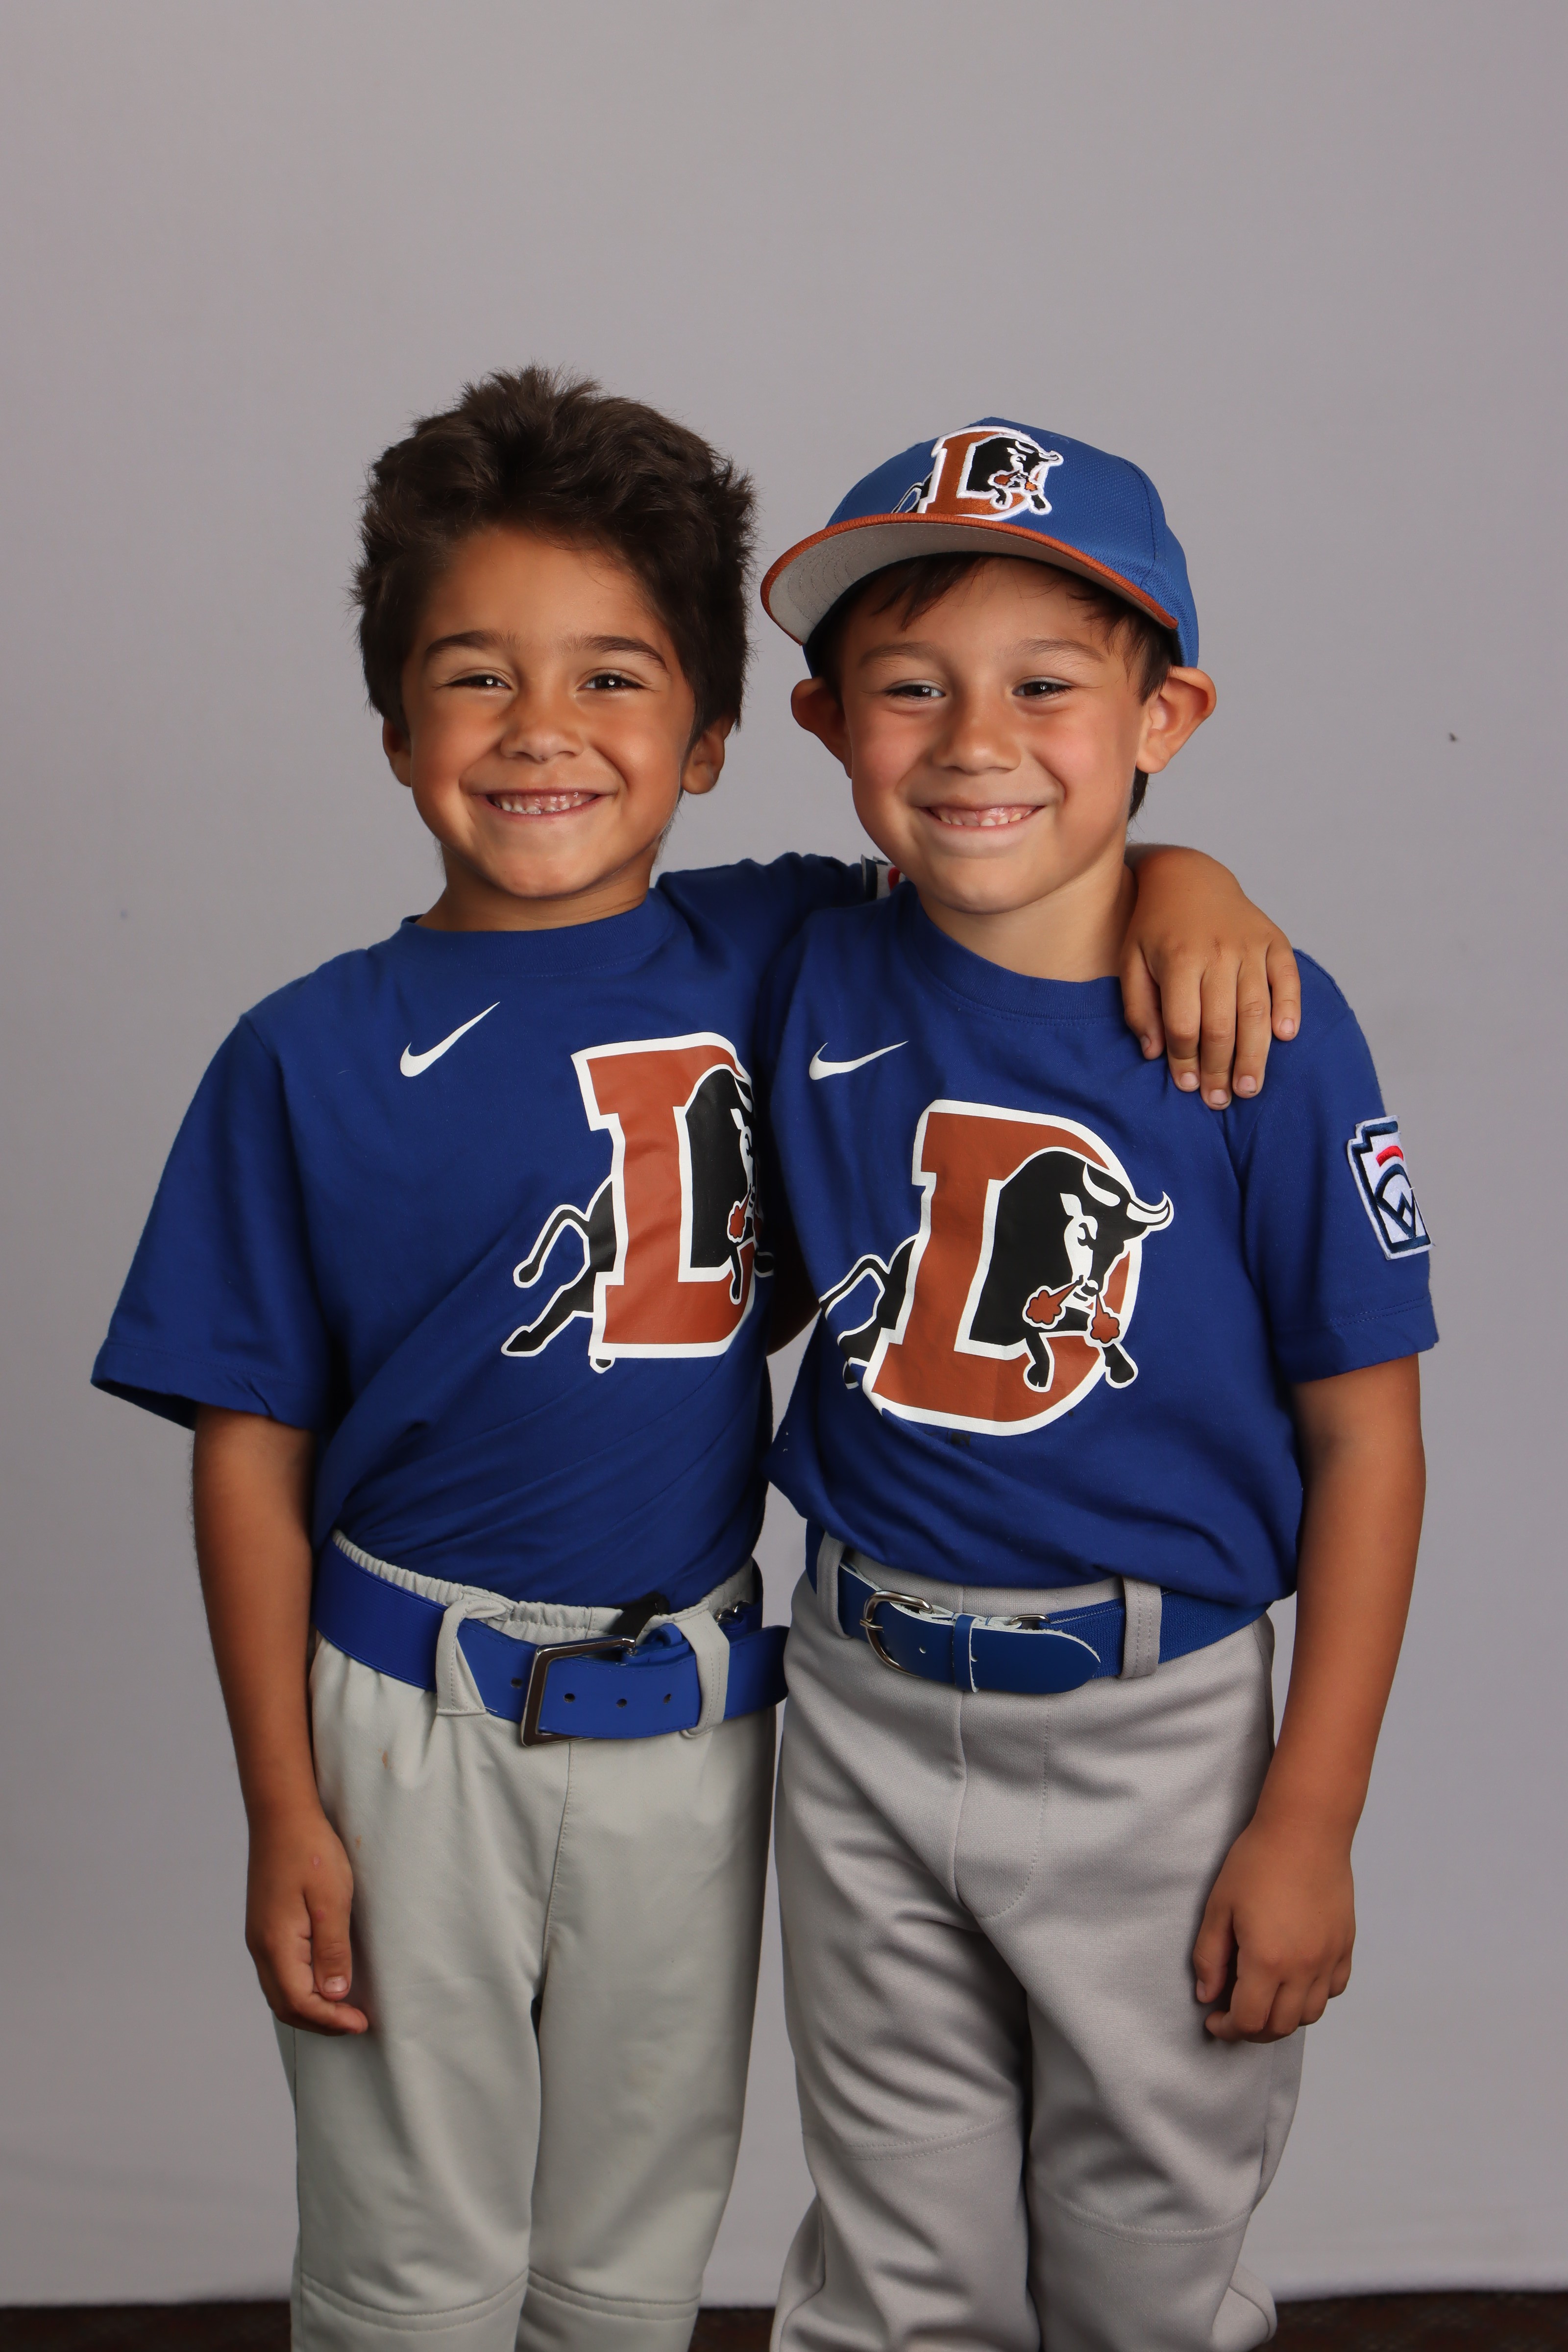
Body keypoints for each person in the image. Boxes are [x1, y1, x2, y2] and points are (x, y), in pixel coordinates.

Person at [92, 374, 1301, 2352]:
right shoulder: (300, 1052)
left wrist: (1195, 879)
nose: (541, 730)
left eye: (612, 679)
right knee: (409, 2276)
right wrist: (281, 1806)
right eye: (475, 678)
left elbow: (1021, 852)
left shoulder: (787, 952)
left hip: (701, 1717)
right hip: (402, 1712)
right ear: (395, 726)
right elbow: (245, 1450)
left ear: (718, 739)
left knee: (629, 2267)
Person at [756, 418, 1434, 2352]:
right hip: (862, 1703)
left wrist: (1311, 1817)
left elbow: (1367, 1440)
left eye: (1045, 687)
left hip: (1158, 1730)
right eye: (911, 688)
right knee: (898, 2268)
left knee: (1143, 2259)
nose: (976, 740)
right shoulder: (800, 963)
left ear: (1164, 716)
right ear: (826, 724)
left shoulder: (1259, 1027)